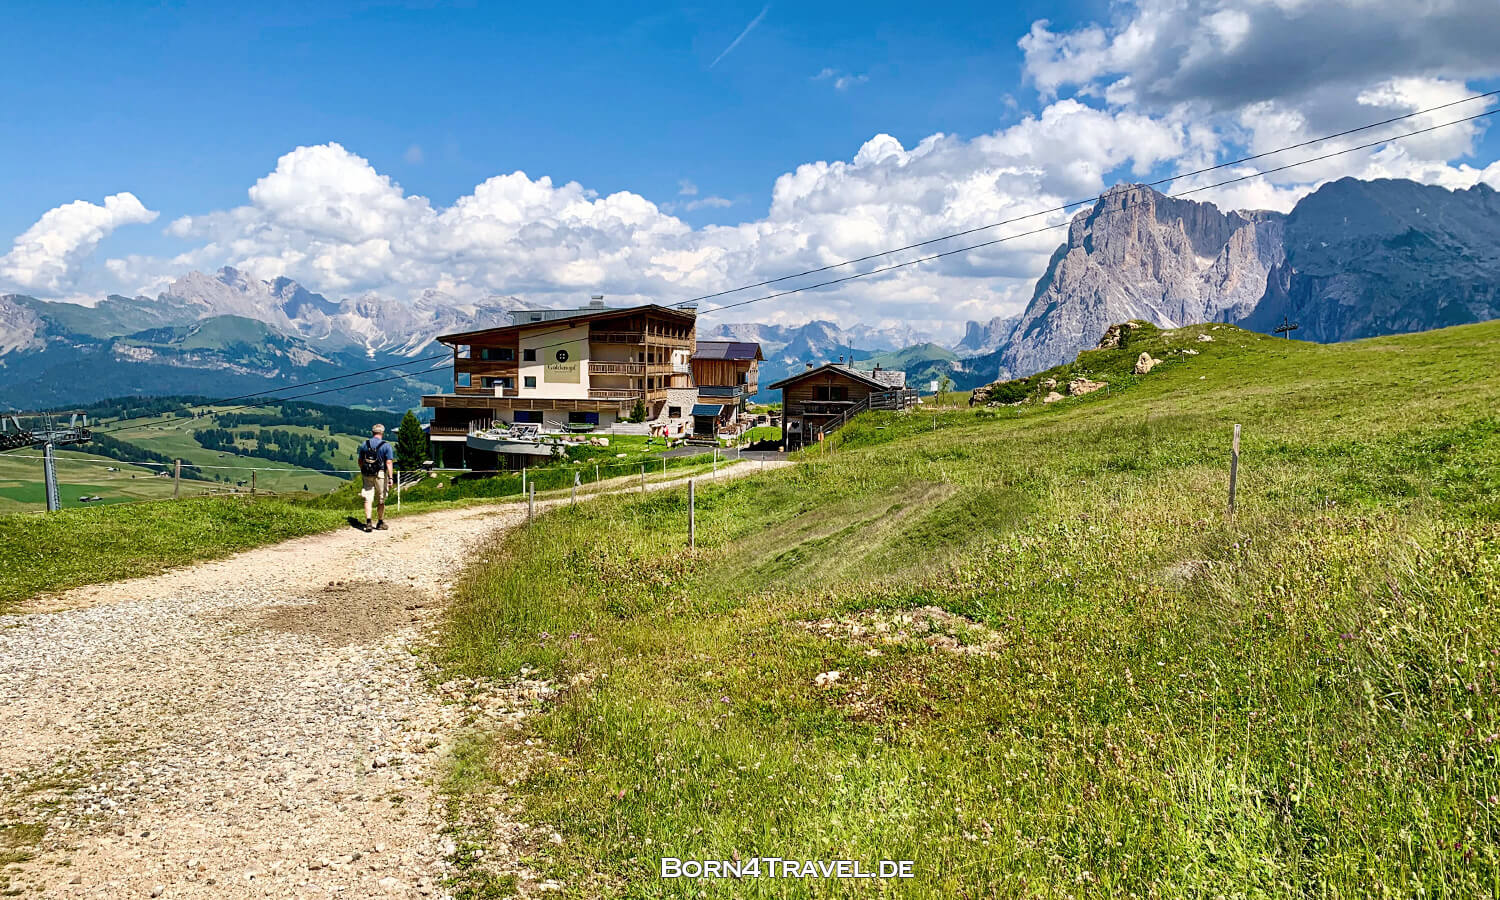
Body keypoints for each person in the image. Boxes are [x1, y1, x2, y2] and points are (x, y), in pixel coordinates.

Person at [357, 423, 396, 532]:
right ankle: (380, 522)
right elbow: (389, 462)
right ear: (382, 433)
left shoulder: (365, 444)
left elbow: (360, 461)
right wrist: (391, 478)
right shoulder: (386, 445)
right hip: (380, 474)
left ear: (372, 432)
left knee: (368, 497)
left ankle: (368, 522)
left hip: (367, 474)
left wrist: (363, 470)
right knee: (381, 498)